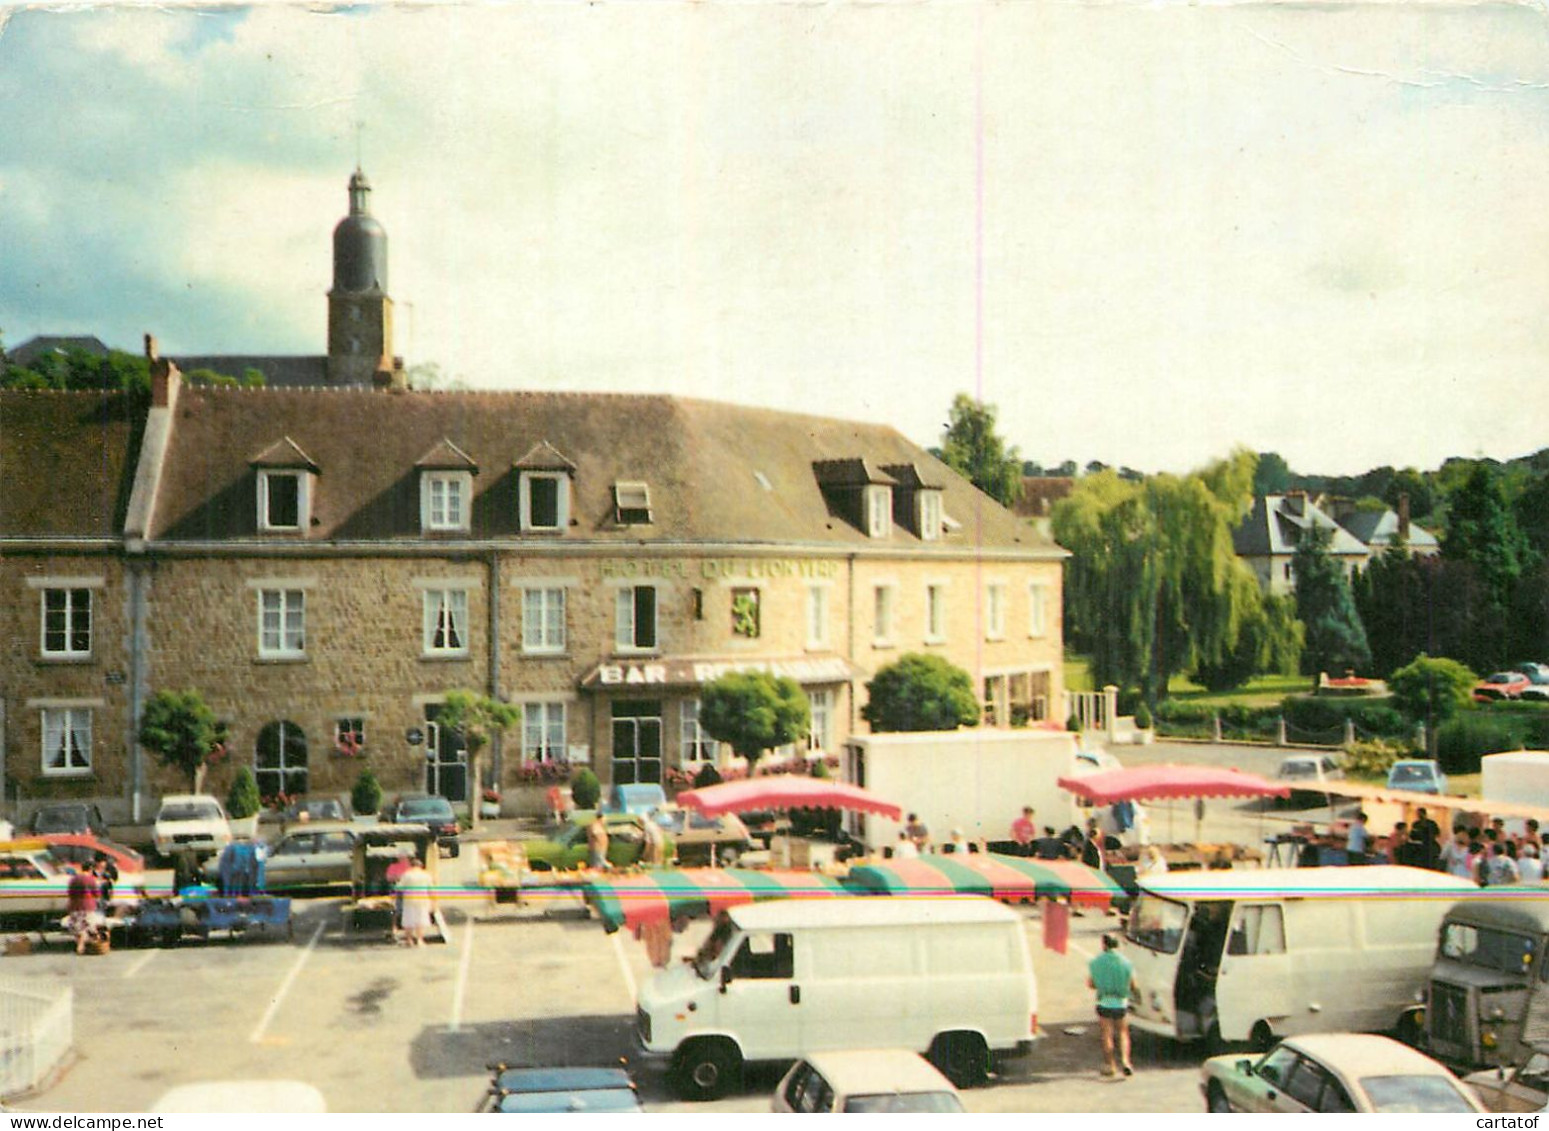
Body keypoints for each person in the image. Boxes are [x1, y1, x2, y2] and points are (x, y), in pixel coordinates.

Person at [1086, 933, 1137, 1077]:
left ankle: (1111, 1065)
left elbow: (1091, 984)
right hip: (1121, 1003)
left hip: (1104, 1002)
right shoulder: (1126, 962)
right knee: (1123, 1033)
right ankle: (1126, 1061)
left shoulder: (1096, 962)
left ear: (1104, 944)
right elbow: (1133, 984)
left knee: (1107, 1034)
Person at [396, 856, 436, 947]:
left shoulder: (406, 875)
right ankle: (420, 940)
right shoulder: (426, 875)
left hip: (409, 901)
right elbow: (431, 890)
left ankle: (409, 940)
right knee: (421, 921)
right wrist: (434, 902)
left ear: (411, 866)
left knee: (408, 921)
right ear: (420, 866)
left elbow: (399, 888)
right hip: (422, 901)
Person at [66, 863, 101, 956]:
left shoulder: (73, 879)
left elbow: (70, 893)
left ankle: (80, 945)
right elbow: (97, 894)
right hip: (87, 905)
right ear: (90, 869)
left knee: (78, 927)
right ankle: (83, 946)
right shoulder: (90, 879)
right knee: (88, 926)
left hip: (74, 905)